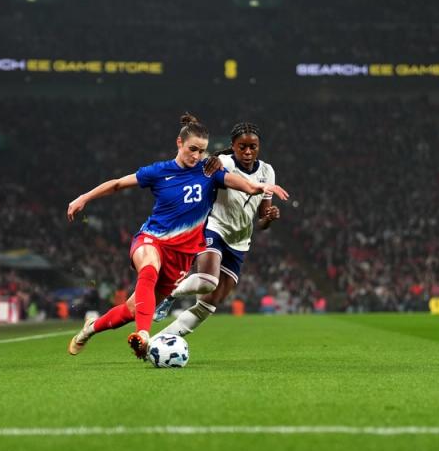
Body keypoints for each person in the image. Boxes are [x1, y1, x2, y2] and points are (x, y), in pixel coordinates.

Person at [66, 114, 288, 360]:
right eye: (192, 149)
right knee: (148, 270)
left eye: (202, 151)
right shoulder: (159, 171)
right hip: (153, 238)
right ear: (179, 143)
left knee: (131, 310)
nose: (196, 156)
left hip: (181, 256)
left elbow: (244, 185)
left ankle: (90, 329)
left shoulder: (209, 172)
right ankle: (143, 335)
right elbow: (118, 184)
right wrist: (83, 197)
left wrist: (261, 188)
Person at [153, 122, 282, 337]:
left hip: (240, 240)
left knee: (211, 303)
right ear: (233, 146)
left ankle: (159, 341)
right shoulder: (222, 163)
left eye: (253, 147)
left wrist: (270, 217)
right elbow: (198, 169)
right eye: (242, 147)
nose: (248, 151)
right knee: (207, 281)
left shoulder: (267, 172)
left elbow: (262, 221)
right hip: (214, 228)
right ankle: (169, 293)